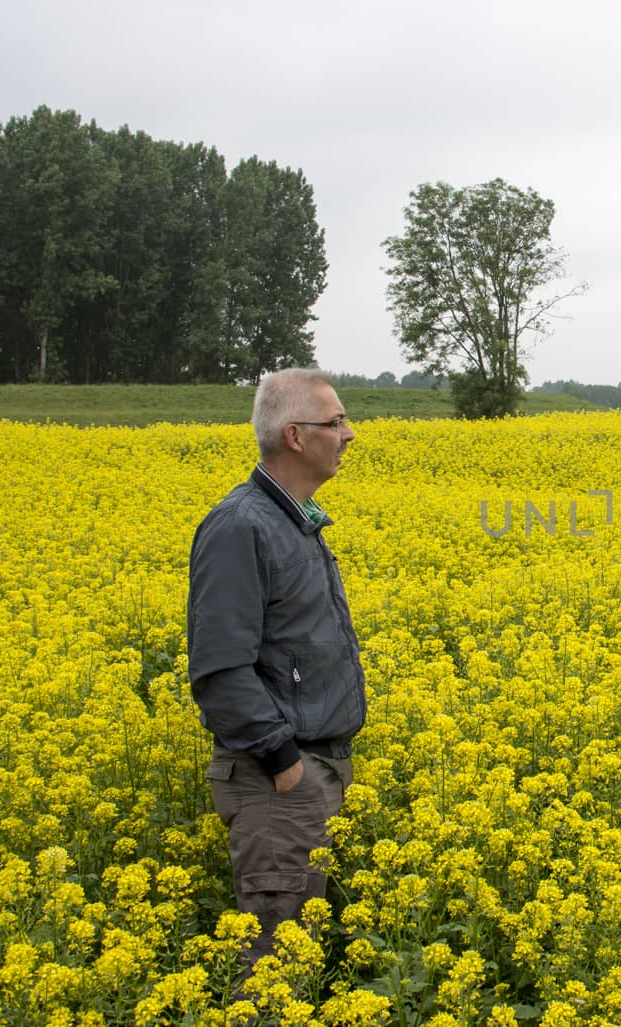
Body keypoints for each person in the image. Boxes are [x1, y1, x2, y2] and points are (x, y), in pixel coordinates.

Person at [187, 367, 366, 968]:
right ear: (295, 436)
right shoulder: (242, 525)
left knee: (298, 960)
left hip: (308, 775)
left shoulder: (297, 519)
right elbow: (219, 669)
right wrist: (287, 768)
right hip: (277, 784)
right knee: (272, 971)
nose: (349, 433)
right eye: (335, 421)